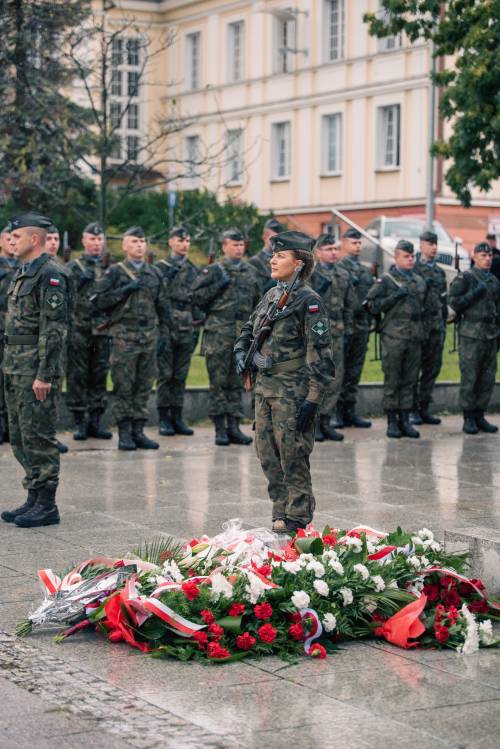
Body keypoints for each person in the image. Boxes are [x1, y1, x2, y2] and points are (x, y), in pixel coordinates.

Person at [234, 230, 334, 532]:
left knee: (293, 455)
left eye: (280, 256)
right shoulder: (273, 295)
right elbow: (250, 328)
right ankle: (280, 510)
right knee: (267, 453)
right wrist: (241, 350)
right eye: (272, 254)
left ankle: (298, 516)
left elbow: (322, 355)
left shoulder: (309, 301)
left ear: (299, 263)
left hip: (292, 391)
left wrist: (313, 399)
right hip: (265, 390)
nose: (272, 259)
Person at [1, 212, 70, 527]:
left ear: (33, 239)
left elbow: (53, 329)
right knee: (20, 435)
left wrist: (45, 374)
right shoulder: (23, 272)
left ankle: (47, 505)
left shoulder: (51, 275)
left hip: (34, 369)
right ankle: (32, 497)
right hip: (15, 365)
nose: (10, 241)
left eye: (15, 237)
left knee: (39, 435)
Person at [92, 226, 170, 450]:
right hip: (124, 337)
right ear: (125, 245)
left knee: (144, 385)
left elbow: (163, 307)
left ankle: (139, 430)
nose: (139, 245)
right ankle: (124, 432)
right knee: (124, 385)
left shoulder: (154, 273)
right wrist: (126, 289)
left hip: (149, 336)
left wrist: (164, 334)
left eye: (142, 241)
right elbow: (98, 300)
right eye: (134, 241)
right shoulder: (115, 272)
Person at [192, 227, 260, 446]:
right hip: (219, 333)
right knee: (219, 381)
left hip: (242, 332)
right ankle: (220, 428)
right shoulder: (214, 271)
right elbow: (196, 297)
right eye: (234, 244)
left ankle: (234, 425)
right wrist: (217, 286)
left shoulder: (250, 272)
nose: (239, 248)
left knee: (236, 381)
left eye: (241, 245)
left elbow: (258, 302)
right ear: (224, 246)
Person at [365, 240, 426, 439]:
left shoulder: (418, 280)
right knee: (393, 380)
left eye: (412, 256)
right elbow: (372, 306)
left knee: (410, 380)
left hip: (414, 336)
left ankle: (405, 420)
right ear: (396, 257)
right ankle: (392, 421)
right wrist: (394, 297)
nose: (410, 260)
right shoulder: (387, 281)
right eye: (406, 256)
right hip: (394, 337)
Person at [66, 223, 112, 441]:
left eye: (99, 239)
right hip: (79, 329)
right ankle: (79, 423)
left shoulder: (109, 269)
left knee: (99, 374)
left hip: (102, 330)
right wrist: (78, 282)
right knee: (77, 375)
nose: (96, 243)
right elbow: (62, 298)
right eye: (92, 239)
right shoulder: (72, 267)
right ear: (84, 241)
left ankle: (95, 421)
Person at [449, 242, 500, 435]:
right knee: (471, 376)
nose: (487, 259)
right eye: (483, 256)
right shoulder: (466, 278)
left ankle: (480, 414)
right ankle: (468, 416)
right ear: (474, 256)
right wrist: (473, 294)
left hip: (490, 334)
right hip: (471, 334)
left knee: (487, 377)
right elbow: (453, 304)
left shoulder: (494, 281)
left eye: (489, 256)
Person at [155, 226, 200, 437]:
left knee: (181, 375)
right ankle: (164, 418)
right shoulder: (161, 268)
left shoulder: (194, 269)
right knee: (165, 374)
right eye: (180, 240)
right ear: (171, 242)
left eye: (187, 241)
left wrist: (197, 325)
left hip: (186, 324)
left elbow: (198, 300)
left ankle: (177, 417)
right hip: (166, 325)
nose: (185, 244)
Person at [310, 233, 355, 442]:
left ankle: (326, 421)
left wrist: (346, 328)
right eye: (328, 249)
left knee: (335, 378)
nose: (333, 253)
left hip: (337, 330)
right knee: (317, 377)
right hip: (316, 329)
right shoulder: (309, 274)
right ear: (318, 252)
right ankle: (314, 422)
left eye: (336, 249)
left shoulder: (343, 274)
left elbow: (349, 305)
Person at [336, 228, 373, 428]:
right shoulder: (339, 268)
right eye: (353, 243)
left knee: (354, 370)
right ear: (344, 244)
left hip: (362, 325)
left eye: (359, 243)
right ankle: (336, 411)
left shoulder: (366, 270)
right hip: (344, 326)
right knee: (340, 370)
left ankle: (350, 410)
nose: (357, 246)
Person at [410, 230, 448, 425]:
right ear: (421, 245)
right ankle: (412, 409)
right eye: (430, 244)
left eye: (435, 244)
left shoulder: (440, 272)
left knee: (432, 368)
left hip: (436, 328)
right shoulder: (414, 269)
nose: (434, 247)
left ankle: (424, 407)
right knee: (414, 369)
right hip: (419, 327)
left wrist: (443, 325)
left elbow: (443, 301)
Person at [38, 223, 69, 453]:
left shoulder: (62, 269)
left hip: (58, 337)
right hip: (34, 340)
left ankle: (49, 434)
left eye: (56, 239)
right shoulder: (34, 269)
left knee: (55, 386)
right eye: (49, 238)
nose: (53, 243)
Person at [0, 223, 17, 444]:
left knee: (15, 378)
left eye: (16, 238)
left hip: (19, 333)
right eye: (8, 238)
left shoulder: (28, 265)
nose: (12, 243)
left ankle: (14, 426)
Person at [248, 218, 283, 297]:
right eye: (274, 238)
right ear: (264, 237)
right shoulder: (254, 262)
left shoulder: (285, 260)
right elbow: (254, 292)